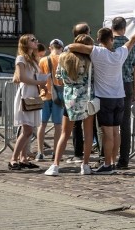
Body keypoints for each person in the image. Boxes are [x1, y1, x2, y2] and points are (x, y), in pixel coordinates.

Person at [65, 19, 135, 174]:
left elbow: (76, 46)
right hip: (120, 97)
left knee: (107, 133)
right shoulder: (120, 53)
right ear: (112, 40)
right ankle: (113, 162)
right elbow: (134, 39)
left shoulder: (97, 52)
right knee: (116, 132)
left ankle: (107, 164)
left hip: (105, 98)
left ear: (98, 40)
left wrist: (67, 47)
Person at [44, 35, 96, 176]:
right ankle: (85, 165)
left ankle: (55, 165)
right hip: (86, 98)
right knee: (88, 132)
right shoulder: (90, 61)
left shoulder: (64, 57)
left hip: (69, 99)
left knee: (65, 133)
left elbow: (59, 78)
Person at [9, 34, 49, 170]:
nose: (36, 41)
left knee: (29, 130)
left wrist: (41, 84)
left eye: (36, 39)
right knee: (27, 130)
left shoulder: (34, 59)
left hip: (33, 94)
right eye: (32, 40)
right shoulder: (21, 58)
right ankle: (13, 159)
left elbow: (32, 77)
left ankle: (24, 158)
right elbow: (21, 77)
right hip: (25, 94)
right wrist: (39, 82)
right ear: (25, 43)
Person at [111, 16, 135, 170]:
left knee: (107, 123)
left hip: (109, 84)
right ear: (124, 27)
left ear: (112, 27)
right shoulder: (132, 45)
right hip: (127, 84)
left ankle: (107, 158)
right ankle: (123, 160)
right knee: (125, 124)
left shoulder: (107, 44)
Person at [36, 39, 65, 162]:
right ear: (61, 48)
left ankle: (40, 152)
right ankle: (55, 152)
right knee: (58, 125)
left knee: (42, 124)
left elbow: (39, 78)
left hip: (45, 94)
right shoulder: (63, 59)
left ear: (50, 47)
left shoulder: (43, 60)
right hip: (59, 96)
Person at [71, 21, 94, 160]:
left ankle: (78, 154)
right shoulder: (94, 52)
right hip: (90, 93)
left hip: (73, 94)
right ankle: (86, 158)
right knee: (90, 128)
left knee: (76, 125)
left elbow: (60, 77)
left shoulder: (69, 52)